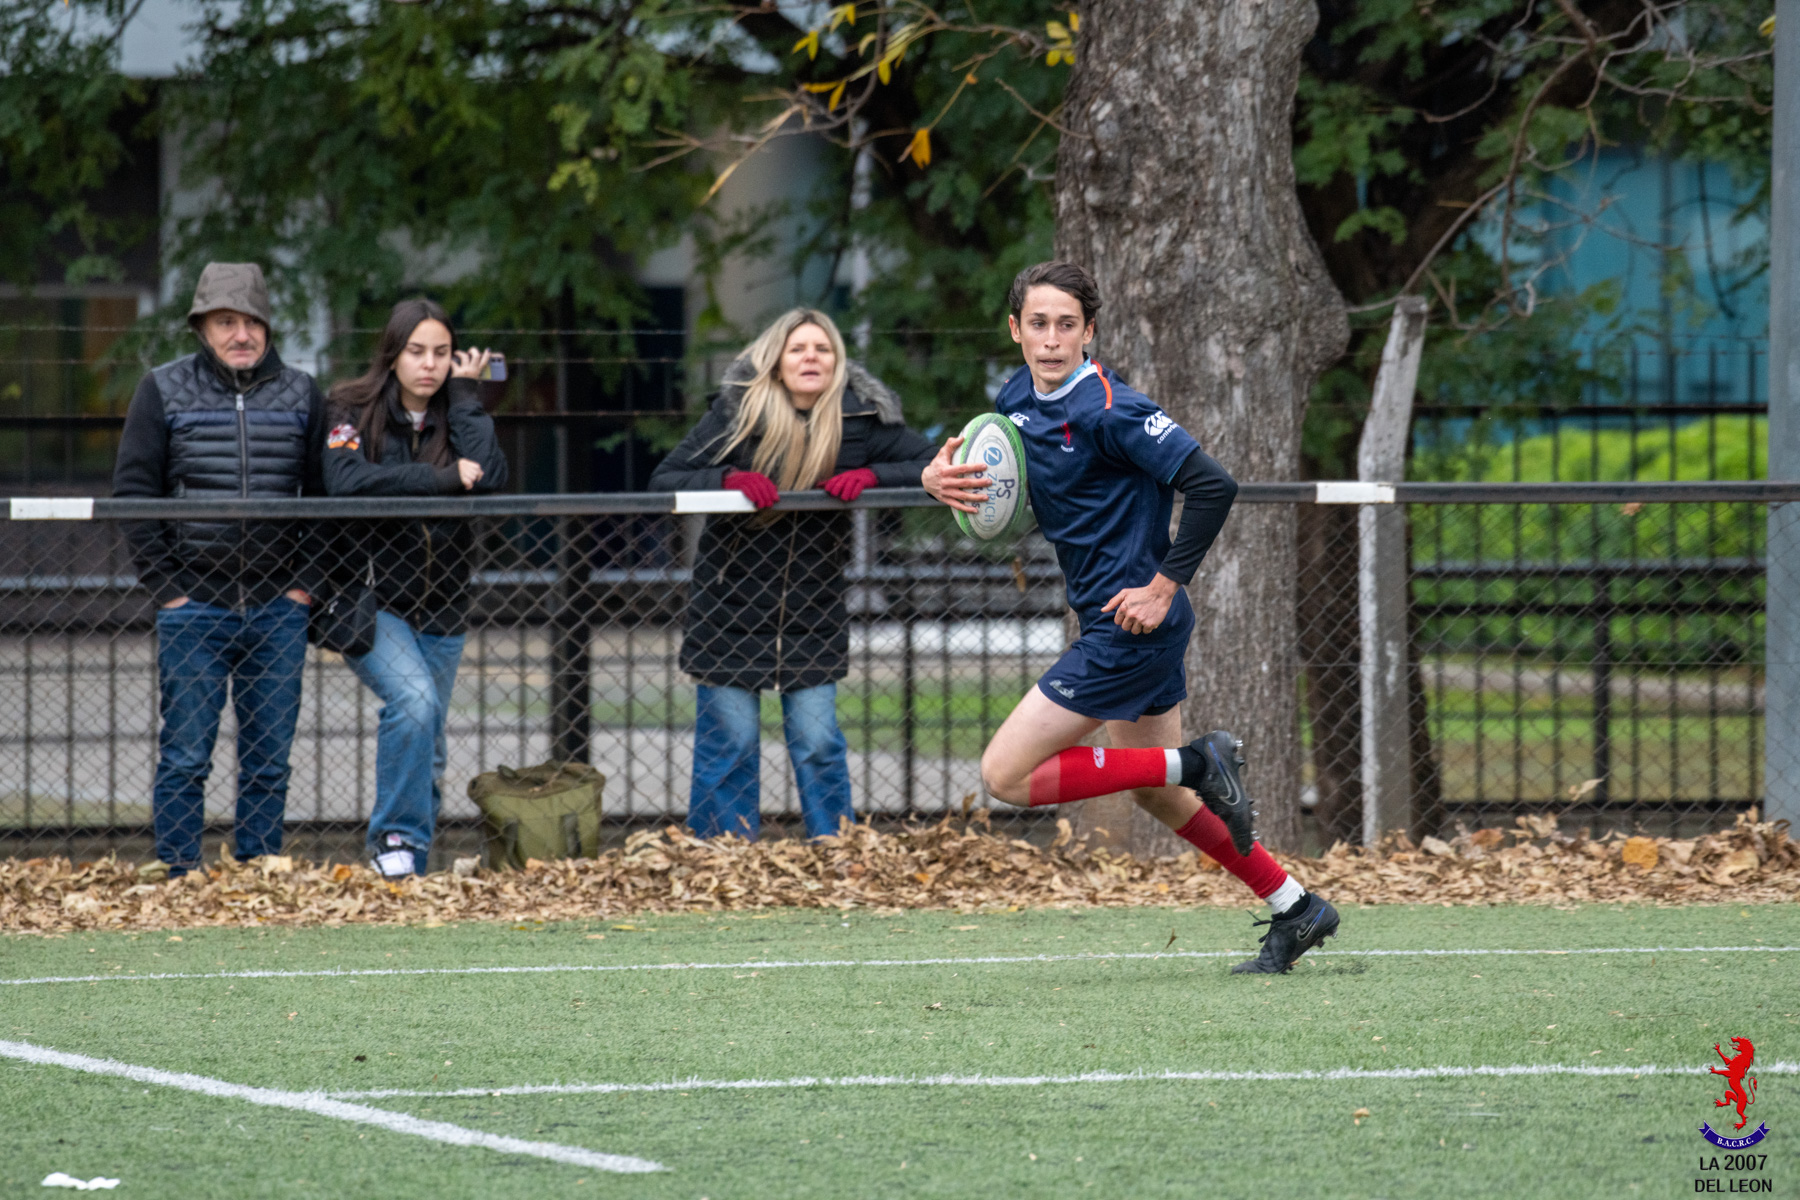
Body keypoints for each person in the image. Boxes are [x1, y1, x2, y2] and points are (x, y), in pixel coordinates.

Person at [920, 261, 1341, 974]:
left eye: (1067, 325)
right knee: (1155, 791)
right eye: (1038, 324)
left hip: (1133, 624)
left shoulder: (1111, 408)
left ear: (1089, 331)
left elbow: (1213, 485)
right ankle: (1295, 907)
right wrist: (939, 480)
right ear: (1015, 328)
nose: (1051, 340)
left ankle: (1198, 759)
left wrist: (1164, 585)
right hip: (1113, 622)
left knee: (1007, 775)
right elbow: (1006, 491)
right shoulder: (1015, 398)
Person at [650, 308, 935, 840]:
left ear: (838, 362)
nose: (811, 357)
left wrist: (873, 475)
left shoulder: (862, 419)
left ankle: (833, 848)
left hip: (813, 611)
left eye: (822, 349)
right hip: (728, 609)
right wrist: (729, 479)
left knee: (818, 742)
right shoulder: (737, 415)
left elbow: (933, 465)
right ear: (776, 361)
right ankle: (722, 854)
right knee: (730, 745)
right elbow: (665, 478)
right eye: (798, 349)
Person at [113, 262, 326, 876]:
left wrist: (303, 588)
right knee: (185, 754)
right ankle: (180, 870)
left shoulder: (303, 394)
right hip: (193, 606)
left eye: (252, 322)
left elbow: (323, 500)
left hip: (277, 607)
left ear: (267, 327)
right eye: (226, 321)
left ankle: (260, 867)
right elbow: (133, 493)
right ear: (201, 327)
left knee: (269, 758)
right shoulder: (161, 389)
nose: (241, 334)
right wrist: (168, 590)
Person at [321, 299, 508, 877]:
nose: (428, 365)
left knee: (428, 739)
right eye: (416, 351)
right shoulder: (350, 407)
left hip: (445, 605)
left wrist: (468, 397)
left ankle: (411, 866)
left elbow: (493, 480)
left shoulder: (459, 410)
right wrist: (439, 480)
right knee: (414, 702)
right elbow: (346, 482)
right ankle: (393, 845)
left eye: (441, 354)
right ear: (393, 353)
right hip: (372, 602)